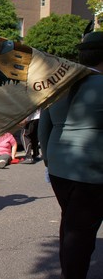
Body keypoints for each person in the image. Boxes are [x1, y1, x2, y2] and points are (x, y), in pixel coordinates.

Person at [38, 31, 103, 279]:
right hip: (91, 171)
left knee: (71, 223)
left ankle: (69, 269)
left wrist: (49, 160)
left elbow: (44, 128)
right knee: (81, 234)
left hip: (58, 168)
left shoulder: (59, 84)